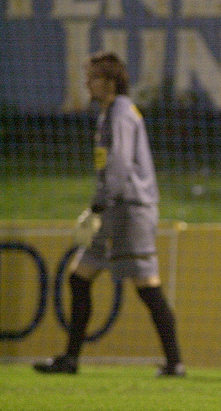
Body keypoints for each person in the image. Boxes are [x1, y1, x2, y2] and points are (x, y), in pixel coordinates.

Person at [34, 52, 185, 377]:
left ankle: (175, 363)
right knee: (79, 277)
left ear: (110, 81)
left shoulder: (119, 114)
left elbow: (118, 163)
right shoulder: (114, 113)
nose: (87, 83)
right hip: (116, 208)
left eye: (93, 77)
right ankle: (71, 359)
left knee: (146, 284)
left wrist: (99, 204)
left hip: (127, 210)